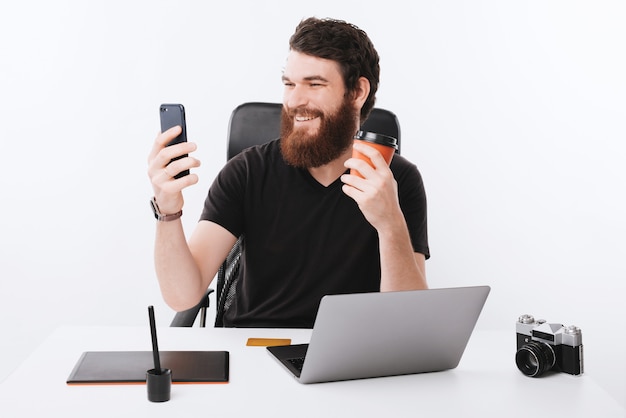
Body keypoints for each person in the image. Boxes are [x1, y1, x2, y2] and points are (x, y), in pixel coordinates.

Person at [147, 17, 429, 328]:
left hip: (351, 353)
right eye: (289, 84)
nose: (294, 101)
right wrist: (168, 212)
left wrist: (390, 224)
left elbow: (408, 322)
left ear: (357, 92)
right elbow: (182, 297)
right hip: (255, 348)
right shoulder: (246, 172)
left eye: (315, 84)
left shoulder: (398, 181)